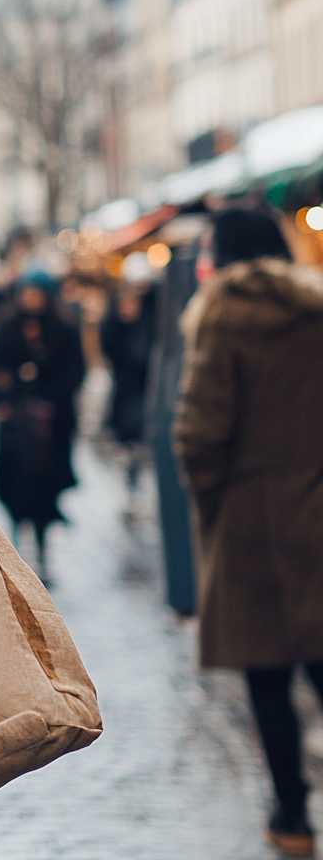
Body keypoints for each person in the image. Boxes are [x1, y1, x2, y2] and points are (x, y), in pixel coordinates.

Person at [174, 207, 323, 857]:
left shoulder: (222, 316)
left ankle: (292, 816)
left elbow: (200, 432)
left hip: (249, 521)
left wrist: (209, 502)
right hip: (319, 505)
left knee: (267, 674)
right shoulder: (317, 310)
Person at [0, 271, 85, 585]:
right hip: (15, 426)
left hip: (50, 429)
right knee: (15, 486)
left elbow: (74, 372)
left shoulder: (63, 330)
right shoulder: (6, 328)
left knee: (44, 490)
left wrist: (49, 398)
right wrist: (3, 399)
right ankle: (15, 549)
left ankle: (41, 551)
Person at [100, 281, 155, 517]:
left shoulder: (148, 325)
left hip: (143, 392)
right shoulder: (114, 326)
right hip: (125, 393)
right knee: (130, 444)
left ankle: (137, 486)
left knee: (139, 442)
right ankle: (132, 488)